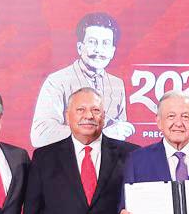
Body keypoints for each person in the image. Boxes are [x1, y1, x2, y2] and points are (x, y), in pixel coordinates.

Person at [29, 13, 134, 148]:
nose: (99, 50)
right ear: (79, 47)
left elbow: (118, 137)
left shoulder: (116, 84)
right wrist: (100, 134)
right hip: (67, 159)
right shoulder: (57, 81)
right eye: (92, 42)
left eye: (105, 43)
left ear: (112, 51)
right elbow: (40, 135)